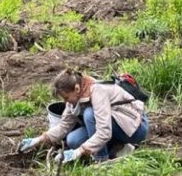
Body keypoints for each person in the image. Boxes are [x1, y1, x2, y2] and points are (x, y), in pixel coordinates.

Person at [19, 69, 149, 163]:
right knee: (72, 140)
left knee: (89, 114)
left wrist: (80, 151)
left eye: (66, 97)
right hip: (113, 126)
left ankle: (101, 159)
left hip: (135, 127)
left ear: (76, 89)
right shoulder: (75, 99)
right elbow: (64, 126)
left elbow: (104, 132)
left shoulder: (98, 91)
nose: (65, 102)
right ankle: (118, 147)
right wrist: (38, 139)